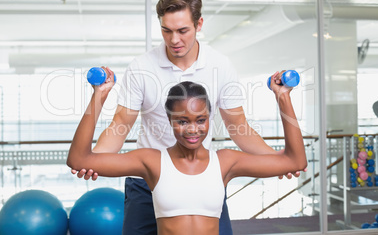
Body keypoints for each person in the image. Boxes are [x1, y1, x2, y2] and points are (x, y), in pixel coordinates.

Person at [72, 0, 304, 235]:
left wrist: (276, 160)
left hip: (201, 178)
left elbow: (239, 127)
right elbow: (120, 125)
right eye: (166, 30)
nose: (174, 40)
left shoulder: (220, 65)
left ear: (199, 24)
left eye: (182, 30)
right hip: (147, 179)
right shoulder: (142, 66)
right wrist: (94, 158)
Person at [67, 80, 307, 235]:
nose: (193, 129)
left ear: (209, 119)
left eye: (200, 120)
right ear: (169, 121)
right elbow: (79, 159)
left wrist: (283, 98)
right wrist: (99, 96)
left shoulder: (225, 162)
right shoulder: (152, 162)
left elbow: (295, 161)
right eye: (182, 121)